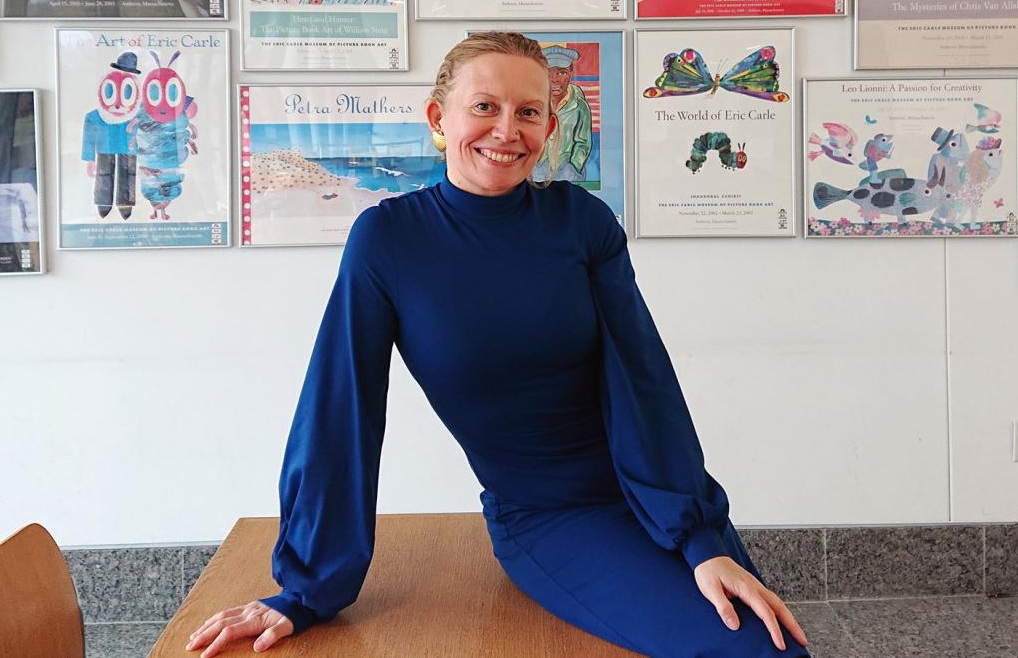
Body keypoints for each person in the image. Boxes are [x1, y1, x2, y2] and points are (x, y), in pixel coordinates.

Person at [186, 32, 811, 658]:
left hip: (659, 492)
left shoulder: (583, 222)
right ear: (439, 117)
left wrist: (698, 537)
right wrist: (304, 590)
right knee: (755, 651)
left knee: (778, 646)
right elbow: (339, 408)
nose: (507, 130)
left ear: (549, 123)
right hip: (551, 518)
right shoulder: (390, 241)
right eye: (484, 106)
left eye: (528, 111)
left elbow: (645, 385)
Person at [534, 43, 593, 182]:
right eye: (549, 73)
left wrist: (573, 166)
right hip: (536, 171)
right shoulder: (532, 104)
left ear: (570, 74)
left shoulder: (579, 106)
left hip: (567, 173)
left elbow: (583, 143)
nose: (555, 79)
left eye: (561, 72)